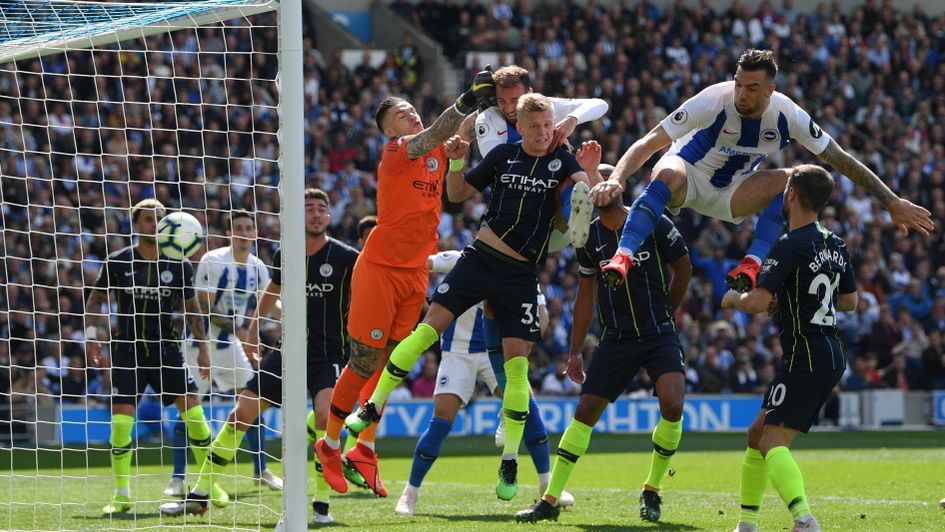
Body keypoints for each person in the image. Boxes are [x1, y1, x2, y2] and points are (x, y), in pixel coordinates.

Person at [346, 93, 597, 501]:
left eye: (548, 126)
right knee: (427, 330)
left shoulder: (563, 162)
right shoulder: (503, 157)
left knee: (517, 372)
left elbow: (581, 201)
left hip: (519, 274)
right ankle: (372, 406)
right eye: (535, 127)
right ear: (520, 128)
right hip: (479, 258)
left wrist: (586, 178)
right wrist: (459, 160)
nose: (542, 133)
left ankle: (510, 460)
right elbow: (457, 194)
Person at [591, 48, 933, 291]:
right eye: (739, 83)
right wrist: (618, 179)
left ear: (771, 90)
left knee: (798, 177)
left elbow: (840, 158)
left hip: (734, 194)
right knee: (667, 169)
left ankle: (753, 263)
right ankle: (623, 257)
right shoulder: (713, 100)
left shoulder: (788, 115)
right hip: (688, 178)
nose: (741, 93)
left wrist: (890, 201)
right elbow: (650, 141)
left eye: (752, 87)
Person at [314, 68, 497, 498]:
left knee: (389, 368)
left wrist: (487, 102)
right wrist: (468, 101)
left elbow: (451, 135)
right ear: (387, 130)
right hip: (380, 268)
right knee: (363, 363)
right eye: (401, 114)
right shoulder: (398, 151)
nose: (411, 116)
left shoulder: (434, 151)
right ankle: (330, 443)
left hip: (416, 270)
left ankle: (365, 448)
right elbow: (437, 130)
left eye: (412, 110)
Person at [160, 189, 359, 525]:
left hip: (329, 353)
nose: (314, 214)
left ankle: (321, 503)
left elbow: (365, 295)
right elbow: (272, 292)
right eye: (307, 208)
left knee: (326, 418)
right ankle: (200, 494)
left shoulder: (345, 257)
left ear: (328, 216)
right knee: (242, 413)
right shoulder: (286, 253)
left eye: (321, 209)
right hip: (287, 350)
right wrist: (253, 329)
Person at [515, 164, 692, 523]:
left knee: (673, 405)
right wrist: (575, 350)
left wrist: (667, 316)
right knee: (585, 414)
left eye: (610, 180)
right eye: (597, 183)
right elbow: (585, 295)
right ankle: (549, 501)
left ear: (621, 187)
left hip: (658, 334)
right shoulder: (588, 238)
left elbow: (684, 268)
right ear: (591, 196)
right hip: (617, 339)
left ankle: (652, 490)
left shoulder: (653, 222)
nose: (603, 187)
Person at [721, 165, 858, 532]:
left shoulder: (788, 245)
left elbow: (754, 303)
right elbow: (850, 302)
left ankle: (804, 519)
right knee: (757, 433)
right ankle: (747, 524)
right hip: (827, 351)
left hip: (806, 355)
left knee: (772, 443)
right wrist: (790, 299)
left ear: (791, 195)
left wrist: (733, 298)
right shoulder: (835, 243)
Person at [394, 251, 574, 516]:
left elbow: (541, 313)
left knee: (527, 403)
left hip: (497, 352)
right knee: (442, 419)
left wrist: (526, 342)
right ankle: (410, 492)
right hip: (458, 352)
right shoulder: (464, 258)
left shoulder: (520, 269)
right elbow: (422, 262)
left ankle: (547, 485)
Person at [84, 199, 220, 514]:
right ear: (136, 225)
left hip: (167, 351)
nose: (154, 225)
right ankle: (121, 496)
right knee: (120, 426)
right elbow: (95, 300)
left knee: (196, 419)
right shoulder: (118, 261)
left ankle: (209, 485)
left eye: (159, 219)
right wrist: (92, 338)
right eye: (148, 220)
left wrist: (202, 347)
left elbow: (192, 309)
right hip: (127, 351)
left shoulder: (179, 263)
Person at [164, 210, 279, 498]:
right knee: (190, 409)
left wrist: (288, 315)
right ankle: (178, 477)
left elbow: (271, 301)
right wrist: (241, 330)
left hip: (232, 349)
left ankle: (261, 470)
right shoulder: (212, 260)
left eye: (248, 227)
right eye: (238, 227)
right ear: (229, 233)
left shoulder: (258, 267)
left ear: (255, 232)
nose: (243, 231)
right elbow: (202, 306)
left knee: (254, 399)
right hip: (199, 345)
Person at [472, 64, 608, 249]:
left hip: (556, 226)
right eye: (501, 101)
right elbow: (500, 165)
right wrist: (548, 147)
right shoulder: (488, 120)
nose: (509, 108)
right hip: (516, 215)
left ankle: (581, 222)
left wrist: (572, 119)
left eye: (515, 100)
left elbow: (601, 104)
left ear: (530, 93)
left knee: (589, 172)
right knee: (562, 159)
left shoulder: (543, 108)